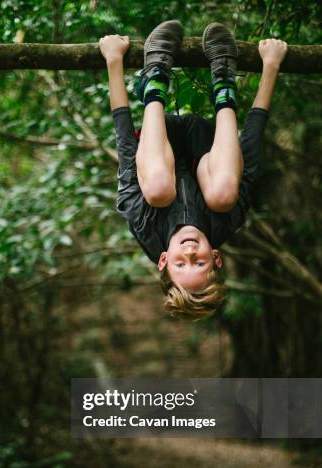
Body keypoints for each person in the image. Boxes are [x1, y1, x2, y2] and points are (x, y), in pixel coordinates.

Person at [99, 21, 288, 320]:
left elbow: (124, 143)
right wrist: (271, 67)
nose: (189, 255)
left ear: (163, 260)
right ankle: (223, 78)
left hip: (159, 141)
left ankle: (156, 73)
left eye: (181, 264)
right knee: (224, 194)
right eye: (199, 264)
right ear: (215, 258)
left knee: (159, 189)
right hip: (208, 145)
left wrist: (113, 61)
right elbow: (249, 149)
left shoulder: (145, 224)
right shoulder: (225, 221)